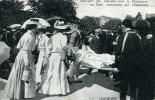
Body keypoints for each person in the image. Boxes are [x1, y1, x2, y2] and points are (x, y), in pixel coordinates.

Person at [3, 24, 39, 100]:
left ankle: (17, 93)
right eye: (36, 28)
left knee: (18, 75)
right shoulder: (30, 37)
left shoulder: (25, 35)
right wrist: (26, 64)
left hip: (20, 56)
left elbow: (19, 47)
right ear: (32, 28)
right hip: (25, 57)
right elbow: (26, 50)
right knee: (26, 75)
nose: (36, 30)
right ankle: (24, 94)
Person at [39, 20, 70, 96]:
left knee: (51, 71)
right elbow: (64, 47)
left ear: (57, 29)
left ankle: (48, 89)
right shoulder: (64, 37)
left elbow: (49, 48)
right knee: (59, 72)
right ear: (63, 30)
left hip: (53, 55)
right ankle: (59, 90)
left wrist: (48, 55)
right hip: (59, 55)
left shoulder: (52, 37)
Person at [115, 19, 142, 100]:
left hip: (123, 65)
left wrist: (116, 65)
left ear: (124, 26)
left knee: (123, 87)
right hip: (134, 66)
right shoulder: (137, 37)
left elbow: (117, 53)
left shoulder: (120, 36)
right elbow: (140, 52)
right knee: (133, 87)